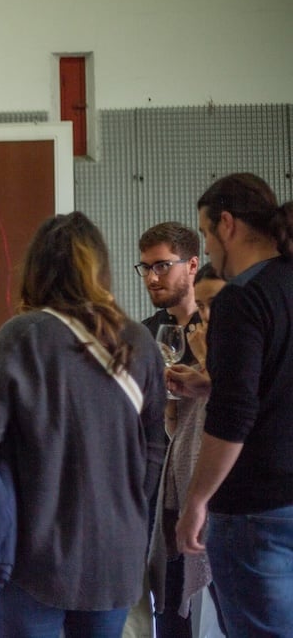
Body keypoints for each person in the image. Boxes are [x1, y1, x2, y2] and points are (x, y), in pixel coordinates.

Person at [0, 212, 167, 638]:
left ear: (35, 270)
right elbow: (157, 444)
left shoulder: (19, 337)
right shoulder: (138, 341)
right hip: (116, 551)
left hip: (33, 551)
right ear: (101, 268)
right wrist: (130, 502)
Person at [175, 173, 293, 636]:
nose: (207, 247)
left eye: (204, 233)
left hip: (255, 511)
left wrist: (196, 501)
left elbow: (234, 417)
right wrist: (211, 385)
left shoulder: (242, 300)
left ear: (227, 224)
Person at [127, 222, 201, 638]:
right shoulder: (140, 335)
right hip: (157, 490)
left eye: (162, 266)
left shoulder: (221, 328)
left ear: (192, 265)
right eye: (146, 268)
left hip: (207, 482)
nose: (152, 277)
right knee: (168, 607)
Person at [148, 264, 228, 637]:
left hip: (224, 504)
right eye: (206, 304)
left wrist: (211, 365)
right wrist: (170, 406)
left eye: (218, 303)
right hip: (181, 495)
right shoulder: (168, 335)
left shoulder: (242, 349)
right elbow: (181, 433)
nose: (208, 314)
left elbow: (237, 418)